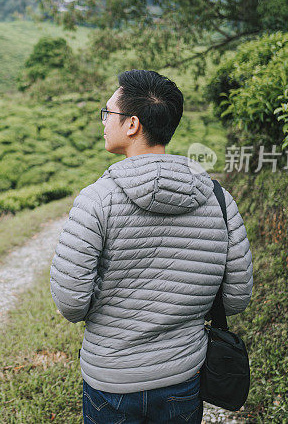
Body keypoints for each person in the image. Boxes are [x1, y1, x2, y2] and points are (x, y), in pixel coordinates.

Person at [50, 69, 254, 423]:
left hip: (111, 382)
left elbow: (70, 302)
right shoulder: (220, 200)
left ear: (132, 124)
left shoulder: (96, 200)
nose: (103, 122)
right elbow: (236, 298)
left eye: (107, 113)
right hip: (182, 378)